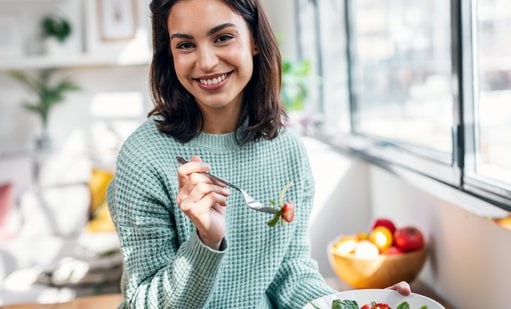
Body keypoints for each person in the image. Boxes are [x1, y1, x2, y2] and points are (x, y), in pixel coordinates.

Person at [107, 0, 411, 307]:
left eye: (223, 37)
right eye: (186, 45)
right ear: (169, 55)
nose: (207, 61)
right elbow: (141, 302)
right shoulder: (143, 157)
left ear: (253, 40)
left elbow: (289, 271)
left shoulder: (287, 148)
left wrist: (351, 306)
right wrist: (205, 241)